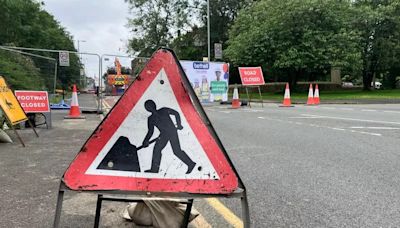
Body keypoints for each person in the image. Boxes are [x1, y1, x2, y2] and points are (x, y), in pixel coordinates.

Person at [142, 100, 196, 174]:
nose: (150, 107)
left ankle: (191, 164)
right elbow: (150, 131)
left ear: (154, 105)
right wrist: (146, 140)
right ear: (147, 109)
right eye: (148, 107)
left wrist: (179, 124)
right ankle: (154, 169)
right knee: (157, 149)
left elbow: (176, 113)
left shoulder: (163, 110)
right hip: (163, 134)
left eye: (151, 105)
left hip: (172, 131)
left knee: (177, 151)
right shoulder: (151, 119)